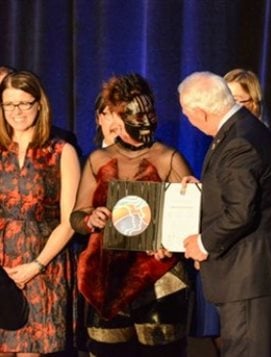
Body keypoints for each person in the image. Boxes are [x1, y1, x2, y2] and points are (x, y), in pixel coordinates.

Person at [69, 73, 192, 356]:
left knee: (161, 351)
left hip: (159, 275)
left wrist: (172, 241)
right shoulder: (98, 160)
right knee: (105, 350)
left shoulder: (168, 157)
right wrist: (90, 219)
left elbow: (189, 220)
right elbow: (77, 215)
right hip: (107, 275)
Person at [178, 71, 271, 357]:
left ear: (200, 112)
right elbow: (240, 191)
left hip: (249, 278)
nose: (188, 121)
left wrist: (203, 243)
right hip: (245, 277)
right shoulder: (239, 130)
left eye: (187, 114)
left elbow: (241, 212)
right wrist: (205, 189)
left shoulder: (239, 140)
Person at [0, 70, 81, 355]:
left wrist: (36, 265)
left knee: (31, 350)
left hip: (43, 264)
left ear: (39, 104)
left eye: (24, 103)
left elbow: (69, 220)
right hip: (2, 264)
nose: (17, 111)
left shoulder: (61, 151)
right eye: (9, 104)